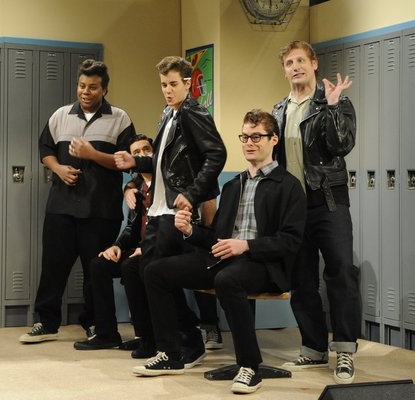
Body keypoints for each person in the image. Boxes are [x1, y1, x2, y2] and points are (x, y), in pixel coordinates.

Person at [132, 109, 306, 395]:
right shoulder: (234, 185)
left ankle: (249, 366)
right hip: (224, 259)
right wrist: (190, 230)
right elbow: (215, 238)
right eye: (244, 137)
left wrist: (246, 245)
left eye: (256, 137)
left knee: (227, 280)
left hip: (263, 264)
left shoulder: (288, 186)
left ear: (273, 139)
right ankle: (171, 353)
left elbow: (290, 241)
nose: (249, 143)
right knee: (155, 271)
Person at [114, 56, 227, 366]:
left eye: (173, 84)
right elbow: (164, 161)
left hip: (173, 211)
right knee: (150, 273)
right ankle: (184, 340)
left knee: (155, 274)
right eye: (163, 84)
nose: (167, 90)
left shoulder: (194, 112)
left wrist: (192, 194)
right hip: (158, 209)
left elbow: (217, 154)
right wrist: (136, 162)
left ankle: (174, 348)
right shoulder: (168, 113)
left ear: (187, 84)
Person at [19, 59, 136, 343]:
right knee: (53, 267)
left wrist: (92, 154)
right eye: (82, 86)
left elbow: (127, 162)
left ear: (104, 90)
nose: (85, 92)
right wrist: (58, 169)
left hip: (101, 210)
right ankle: (46, 323)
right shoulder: (61, 115)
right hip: (61, 207)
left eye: (93, 87)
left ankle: (95, 323)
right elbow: (45, 149)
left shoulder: (120, 119)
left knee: (94, 272)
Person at [271, 40, 360, 384]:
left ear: (314, 64)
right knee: (301, 279)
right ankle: (313, 346)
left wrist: (333, 107)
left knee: (341, 272)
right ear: (284, 70)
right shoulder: (279, 110)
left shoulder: (335, 101)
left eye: (300, 61)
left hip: (328, 200)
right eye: (289, 63)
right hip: (292, 207)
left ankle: (345, 350)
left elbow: (342, 145)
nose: (295, 67)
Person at [73, 134, 154, 351]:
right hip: (138, 249)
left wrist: (145, 248)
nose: (142, 155)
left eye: (146, 150)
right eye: (136, 152)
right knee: (99, 264)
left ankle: (146, 335)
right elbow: (131, 227)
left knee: (130, 266)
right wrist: (116, 245)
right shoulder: (136, 188)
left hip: (158, 248)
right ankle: (106, 333)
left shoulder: (166, 184)